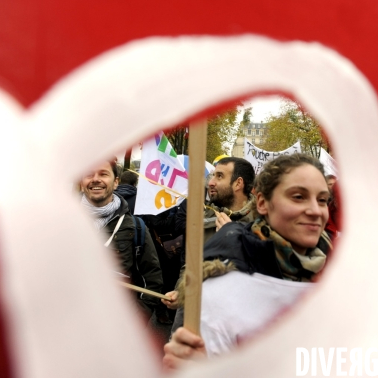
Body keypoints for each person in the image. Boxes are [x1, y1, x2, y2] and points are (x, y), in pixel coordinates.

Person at [162, 154, 332, 370]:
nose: (315, 211)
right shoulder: (221, 283)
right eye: (298, 197)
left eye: (322, 200)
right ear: (262, 203)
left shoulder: (348, 277)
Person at [163, 157, 257, 331]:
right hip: (193, 321)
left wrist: (233, 236)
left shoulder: (261, 223)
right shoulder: (206, 215)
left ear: (238, 183)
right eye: (213, 176)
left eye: (219, 176)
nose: (211, 182)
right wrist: (180, 292)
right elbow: (191, 264)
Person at [80, 159, 164, 323]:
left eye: (103, 174)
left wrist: (137, 320)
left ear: (116, 181)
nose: (96, 179)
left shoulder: (136, 227)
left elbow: (152, 279)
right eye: (89, 174)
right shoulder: (60, 224)